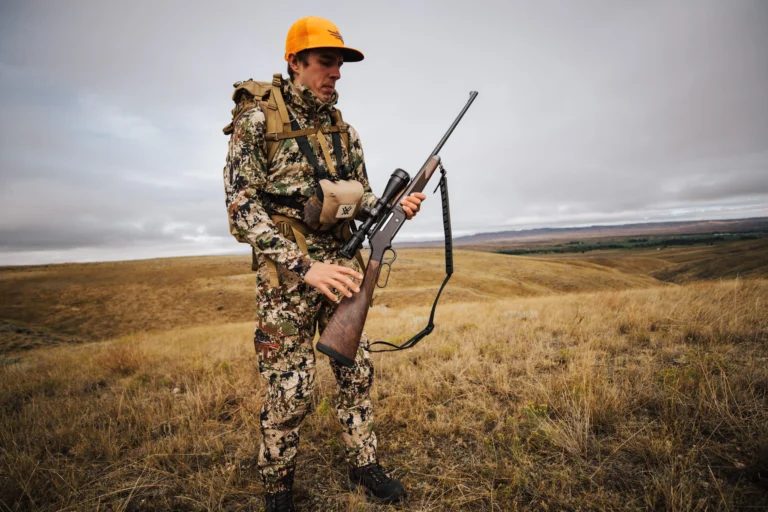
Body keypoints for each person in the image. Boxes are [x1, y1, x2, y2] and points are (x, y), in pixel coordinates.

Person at [222, 15, 426, 512]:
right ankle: (278, 492)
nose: (335, 73)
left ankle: (365, 465)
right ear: (294, 62)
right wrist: (303, 266)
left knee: (355, 373)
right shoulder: (257, 122)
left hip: (343, 268)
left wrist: (397, 207)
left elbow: (365, 195)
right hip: (289, 278)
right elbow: (240, 209)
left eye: (340, 64)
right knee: (290, 389)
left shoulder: (345, 132)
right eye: (325, 62)